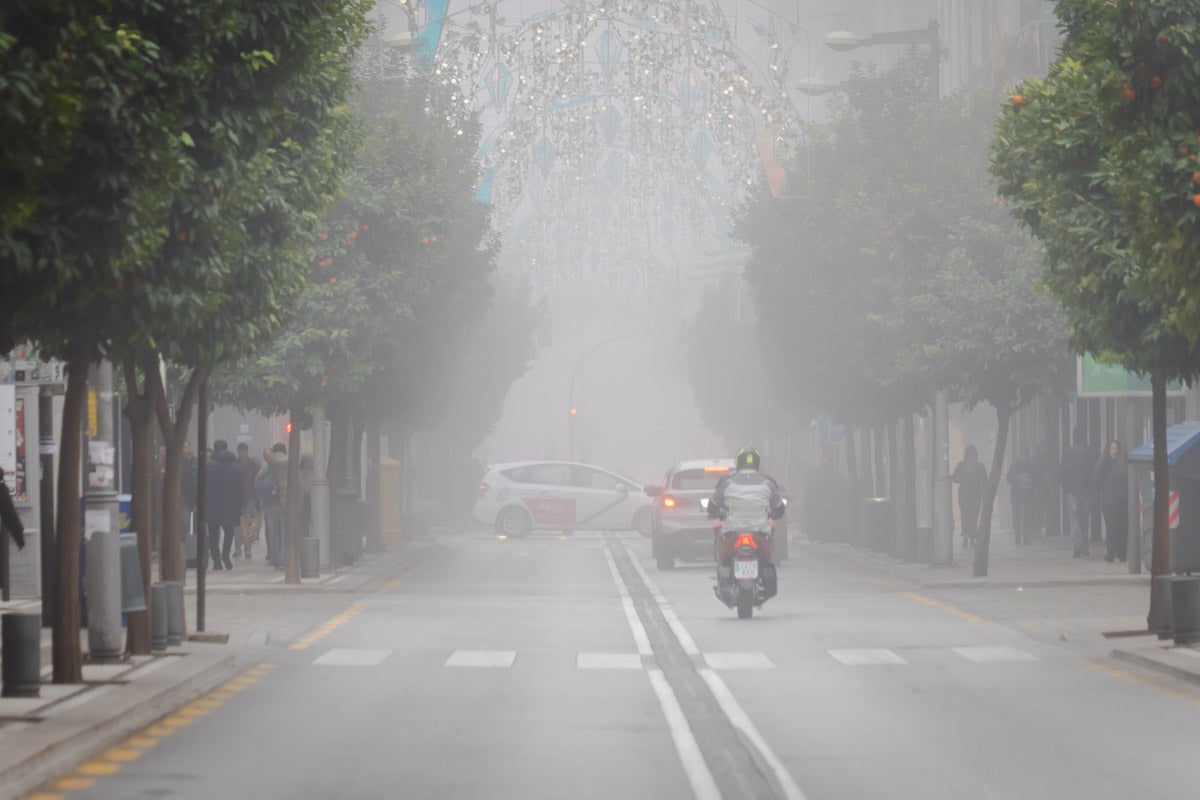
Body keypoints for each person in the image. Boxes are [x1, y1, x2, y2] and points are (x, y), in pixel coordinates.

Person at [707, 447, 786, 597]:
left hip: (732, 530)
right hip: (760, 530)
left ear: (738, 462)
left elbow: (712, 506)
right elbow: (779, 508)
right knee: (770, 542)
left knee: (720, 541)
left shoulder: (726, 482)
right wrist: (772, 514)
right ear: (757, 463)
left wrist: (717, 513)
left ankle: (724, 570)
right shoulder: (769, 482)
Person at [204, 439, 243, 570]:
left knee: (213, 534)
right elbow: (239, 487)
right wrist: (241, 503)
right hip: (230, 505)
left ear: (215, 450)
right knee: (229, 531)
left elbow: (202, 486)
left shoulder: (209, 466)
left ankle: (216, 560)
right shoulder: (235, 466)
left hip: (212, 504)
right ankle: (226, 554)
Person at [1060, 428, 1095, 558]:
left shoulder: (1068, 452)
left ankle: (1077, 547)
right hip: (1086, 492)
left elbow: (1062, 473)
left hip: (1073, 492)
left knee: (1074, 519)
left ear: (1073, 437)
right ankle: (1085, 546)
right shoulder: (1090, 452)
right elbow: (1094, 472)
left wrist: (1066, 489)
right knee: (1085, 518)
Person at [1093, 439, 1128, 562]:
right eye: (1111, 448)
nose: (1113, 451)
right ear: (1108, 450)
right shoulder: (1103, 464)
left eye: (1115, 448)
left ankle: (1122, 553)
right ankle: (1111, 553)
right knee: (1111, 528)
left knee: (1122, 527)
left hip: (1121, 501)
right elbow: (1096, 479)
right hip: (1108, 501)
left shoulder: (1123, 463)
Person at [257, 443, 289, 568]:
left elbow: (257, 480)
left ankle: (274, 558)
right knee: (284, 531)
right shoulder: (290, 463)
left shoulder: (268, 465)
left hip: (270, 503)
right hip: (286, 503)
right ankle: (283, 558)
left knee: (273, 532)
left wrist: (261, 496)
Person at [952, 445, 987, 549]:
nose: (971, 456)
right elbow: (954, 478)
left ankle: (972, 536)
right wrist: (963, 476)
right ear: (966, 454)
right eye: (969, 453)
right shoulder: (961, 465)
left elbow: (984, 480)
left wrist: (985, 493)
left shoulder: (980, 466)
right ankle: (966, 535)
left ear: (975, 455)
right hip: (964, 494)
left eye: (973, 453)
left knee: (974, 515)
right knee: (965, 514)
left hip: (976, 495)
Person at [235, 443, 263, 559]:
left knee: (246, 525)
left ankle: (245, 549)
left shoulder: (252, 465)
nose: (242, 454)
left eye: (243, 451)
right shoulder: (237, 465)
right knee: (240, 525)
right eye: (241, 452)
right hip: (242, 499)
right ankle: (239, 548)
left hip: (248, 499)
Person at [1006, 447, 1036, 545]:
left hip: (1028, 493)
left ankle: (1026, 537)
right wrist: (1018, 480)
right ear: (1019, 454)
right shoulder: (1014, 465)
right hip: (1016, 493)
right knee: (1017, 514)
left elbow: (1036, 477)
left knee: (1027, 514)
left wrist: (1031, 481)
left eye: (1026, 454)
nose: (1024, 456)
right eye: (1022, 454)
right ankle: (1017, 536)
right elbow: (1008, 478)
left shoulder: (1031, 465)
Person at [180, 440, 197, 541]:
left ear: (190, 448)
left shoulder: (196, 461)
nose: (185, 450)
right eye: (183, 448)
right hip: (183, 496)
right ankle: (186, 541)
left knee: (194, 521)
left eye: (186, 447)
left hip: (193, 495)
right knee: (185, 520)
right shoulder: (178, 462)